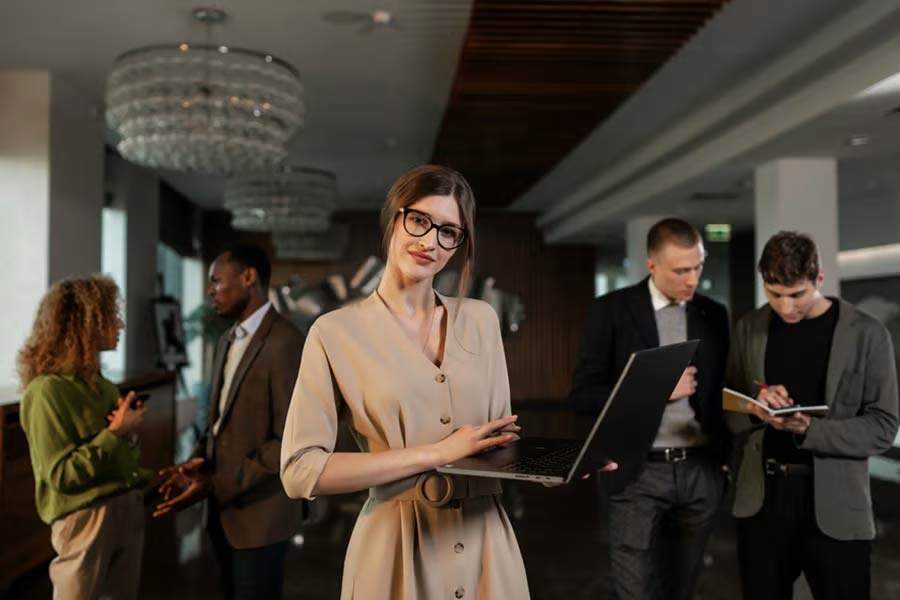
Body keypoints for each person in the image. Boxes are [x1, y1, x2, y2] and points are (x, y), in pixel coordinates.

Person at [280, 165, 531, 600]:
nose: (430, 242)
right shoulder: (333, 333)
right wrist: (436, 453)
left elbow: (497, 441)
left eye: (449, 232)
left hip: (487, 546)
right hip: (394, 552)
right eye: (419, 220)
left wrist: (566, 464)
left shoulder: (481, 320)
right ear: (394, 217)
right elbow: (300, 472)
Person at [726, 231, 899, 600]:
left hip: (837, 506)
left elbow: (883, 428)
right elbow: (729, 410)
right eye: (774, 295)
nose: (786, 307)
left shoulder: (868, 334)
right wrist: (756, 409)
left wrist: (810, 430)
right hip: (763, 503)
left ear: (819, 279)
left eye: (797, 295)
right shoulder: (749, 328)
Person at [569, 218, 730, 600]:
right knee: (636, 591)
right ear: (652, 265)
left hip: (700, 470)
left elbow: (722, 388)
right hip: (637, 472)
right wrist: (656, 391)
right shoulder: (610, 310)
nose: (692, 279)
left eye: (698, 267)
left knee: (683, 588)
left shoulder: (713, 313)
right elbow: (581, 395)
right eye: (681, 270)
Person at [154, 244, 305, 600]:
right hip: (222, 514)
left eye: (216, 281)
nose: (210, 291)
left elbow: (290, 439)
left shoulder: (287, 343)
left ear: (248, 277)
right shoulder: (226, 339)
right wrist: (197, 462)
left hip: (262, 518)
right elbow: (218, 420)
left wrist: (218, 483)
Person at [18, 275, 151, 600]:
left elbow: (119, 454)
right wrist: (116, 432)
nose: (119, 323)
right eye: (111, 315)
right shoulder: (46, 391)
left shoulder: (101, 385)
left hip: (125, 507)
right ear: (85, 322)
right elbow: (61, 475)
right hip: (85, 521)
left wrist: (129, 439)